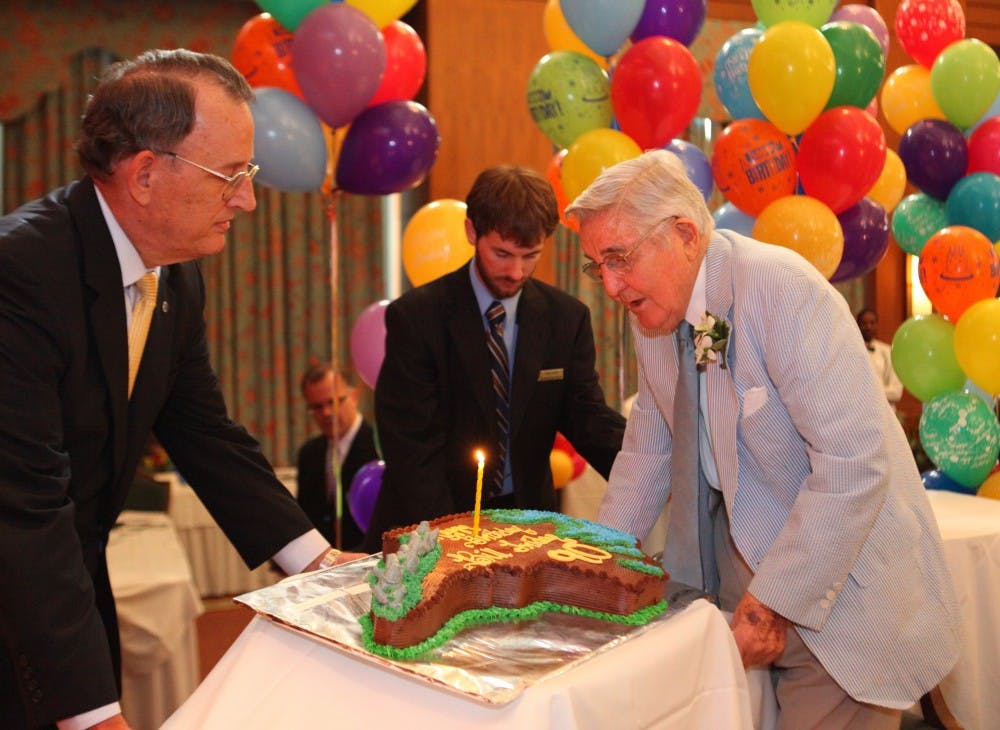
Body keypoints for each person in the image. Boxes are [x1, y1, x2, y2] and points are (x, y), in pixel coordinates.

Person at [0, 49, 356, 730]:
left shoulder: (175, 275)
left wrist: (321, 562)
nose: (248, 199)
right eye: (229, 176)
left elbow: (204, 433)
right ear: (143, 175)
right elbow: (24, 508)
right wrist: (93, 715)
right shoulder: (19, 274)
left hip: (70, 587)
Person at [566, 150, 959, 729]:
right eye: (597, 265)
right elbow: (647, 450)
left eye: (620, 258)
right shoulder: (653, 313)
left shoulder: (779, 289)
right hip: (738, 580)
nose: (611, 284)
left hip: (837, 592)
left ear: (684, 234)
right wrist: (596, 565)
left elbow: (854, 465)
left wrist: (772, 600)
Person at [363, 165, 626, 551]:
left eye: (530, 255)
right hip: (429, 525)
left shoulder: (565, 318)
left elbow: (588, 419)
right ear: (472, 232)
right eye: (501, 254)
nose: (515, 271)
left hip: (525, 525)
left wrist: (650, 473)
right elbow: (411, 446)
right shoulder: (418, 317)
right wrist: (452, 540)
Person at [296, 363, 379, 550]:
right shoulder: (309, 453)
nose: (326, 413)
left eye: (332, 402)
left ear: (354, 397)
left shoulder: (380, 448)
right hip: (323, 568)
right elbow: (305, 518)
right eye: (317, 407)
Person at [856, 308, 904, 408]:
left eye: (872, 323)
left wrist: (868, 393)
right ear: (857, 325)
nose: (868, 327)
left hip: (886, 412)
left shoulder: (888, 352)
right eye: (864, 323)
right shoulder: (850, 352)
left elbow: (896, 392)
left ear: (877, 325)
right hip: (858, 412)